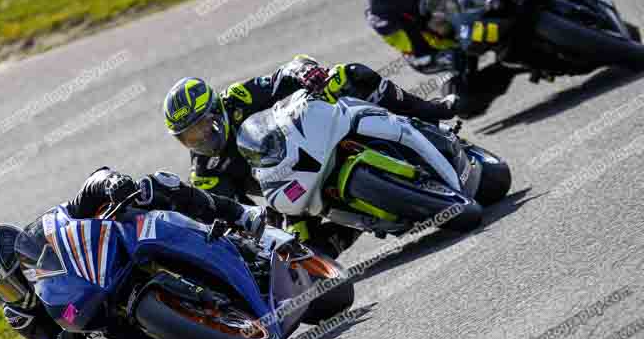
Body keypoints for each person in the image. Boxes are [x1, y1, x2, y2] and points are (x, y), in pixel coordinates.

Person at [0, 168, 267, 339]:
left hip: (110, 258)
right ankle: (177, 333)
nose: (17, 287)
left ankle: (238, 214)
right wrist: (66, 335)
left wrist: (110, 182)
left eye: (17, 275)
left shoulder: (43, 231)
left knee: (153, 186)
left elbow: (85, 195)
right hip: (100, 317)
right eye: (6, 288)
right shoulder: (21, 315)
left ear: (23, 255)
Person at [163, 55, 458, 257]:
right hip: (288, 192)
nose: (200, 139)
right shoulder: (205, 173)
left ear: (216, 109)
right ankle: (352, 227)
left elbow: (284, 73)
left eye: (202, 126)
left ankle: (430, 114)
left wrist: (305, 72)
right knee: (303, 254)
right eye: (189, 137)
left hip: (308, 139)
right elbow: (237, 214)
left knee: (348, 74)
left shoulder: (238, 98)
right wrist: (267, 229)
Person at [365, 0, 519, 116]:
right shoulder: (383, 13)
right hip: (461, 33)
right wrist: (448, 55)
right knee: (461, 103)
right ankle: (510, 65)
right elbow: (420, 59)